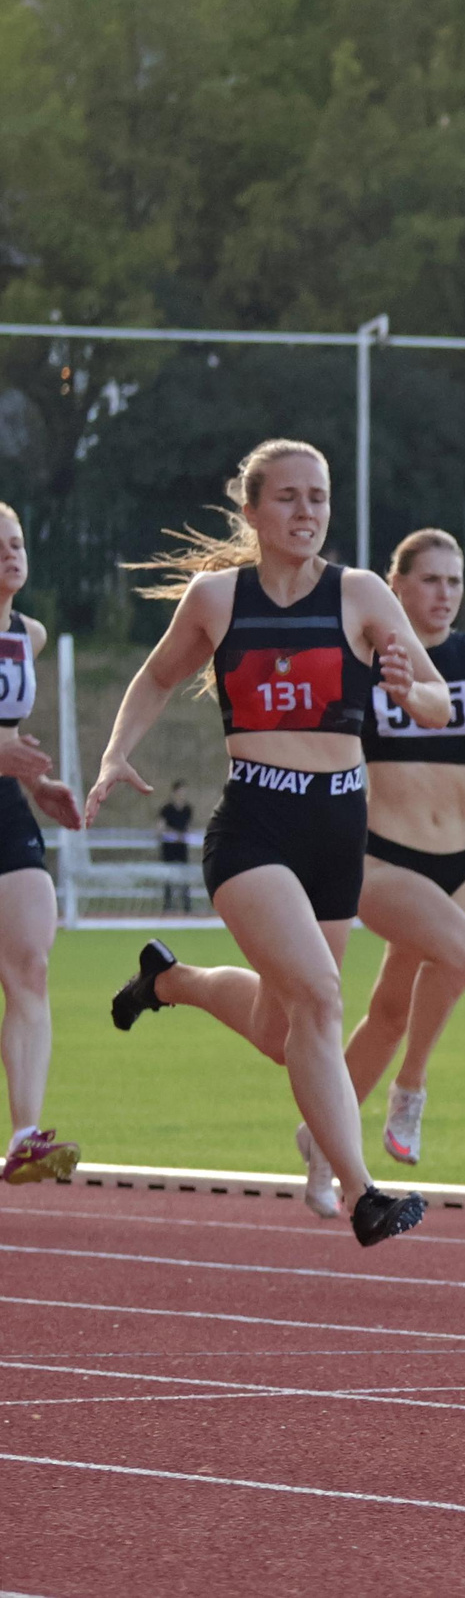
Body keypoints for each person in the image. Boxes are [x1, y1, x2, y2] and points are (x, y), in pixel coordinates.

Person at [88, 439, 438, 1246]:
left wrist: (403, 686)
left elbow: (430, 702)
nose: (306, 512)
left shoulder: (362, 594)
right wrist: (115, 753)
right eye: (287, 498)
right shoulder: (218, 599)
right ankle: (362, 1191)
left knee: (288, 1034)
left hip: (338, 828)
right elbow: (156, 678)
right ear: (252, 511)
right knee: (321, 996)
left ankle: (168, 981)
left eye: (317, 498)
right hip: (255, 825)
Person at [328, 528, 465, 1175]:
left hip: (464, 862)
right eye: (430, 579)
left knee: (391, 1012)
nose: (444, 593)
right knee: (463, 954)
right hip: (385, 859)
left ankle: (320, 1141)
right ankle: (411, 1089)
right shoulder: (369, 658)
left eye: (455, 581)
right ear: (395, 586)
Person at [0, 503, 85, 1185]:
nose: (11, 552)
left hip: (5, 809)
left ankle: (25, 1135)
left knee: (31, 965)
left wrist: (41, 783)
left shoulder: (30, 633)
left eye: (18, 541)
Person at [157, 780, 194, 913]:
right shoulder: (167, 809)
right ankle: (168, 906)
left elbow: (188, 828)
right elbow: (160, 829)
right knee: (169, 877)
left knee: (184, 877)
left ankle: (187, 907)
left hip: (182, 848)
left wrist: (184, 836)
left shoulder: (187, 809)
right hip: (169, 848)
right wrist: (173, 835)